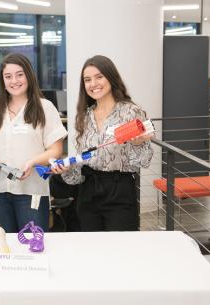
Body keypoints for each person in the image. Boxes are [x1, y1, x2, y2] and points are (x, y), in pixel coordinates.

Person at [52, 55, 153, 232]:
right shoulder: (85, 116)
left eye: (99, 77)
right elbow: (80, 169)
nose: (93, 84)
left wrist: (137, 144)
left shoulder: (130, 112)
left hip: (119, 190)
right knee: (92, 250)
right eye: (87, 80)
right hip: (88, 191)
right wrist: (67, 169)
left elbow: (143, 162)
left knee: (121, 250)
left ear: (111, 78)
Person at [0, 53, 67, 233]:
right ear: (2, 80)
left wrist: (32, 162)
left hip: (30, 191)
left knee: (32, 247)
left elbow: (56, 150)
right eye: (8, 76)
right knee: (3, 247)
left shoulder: (44, 107)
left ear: (29, 75)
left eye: (19, 74)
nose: (14, 81)